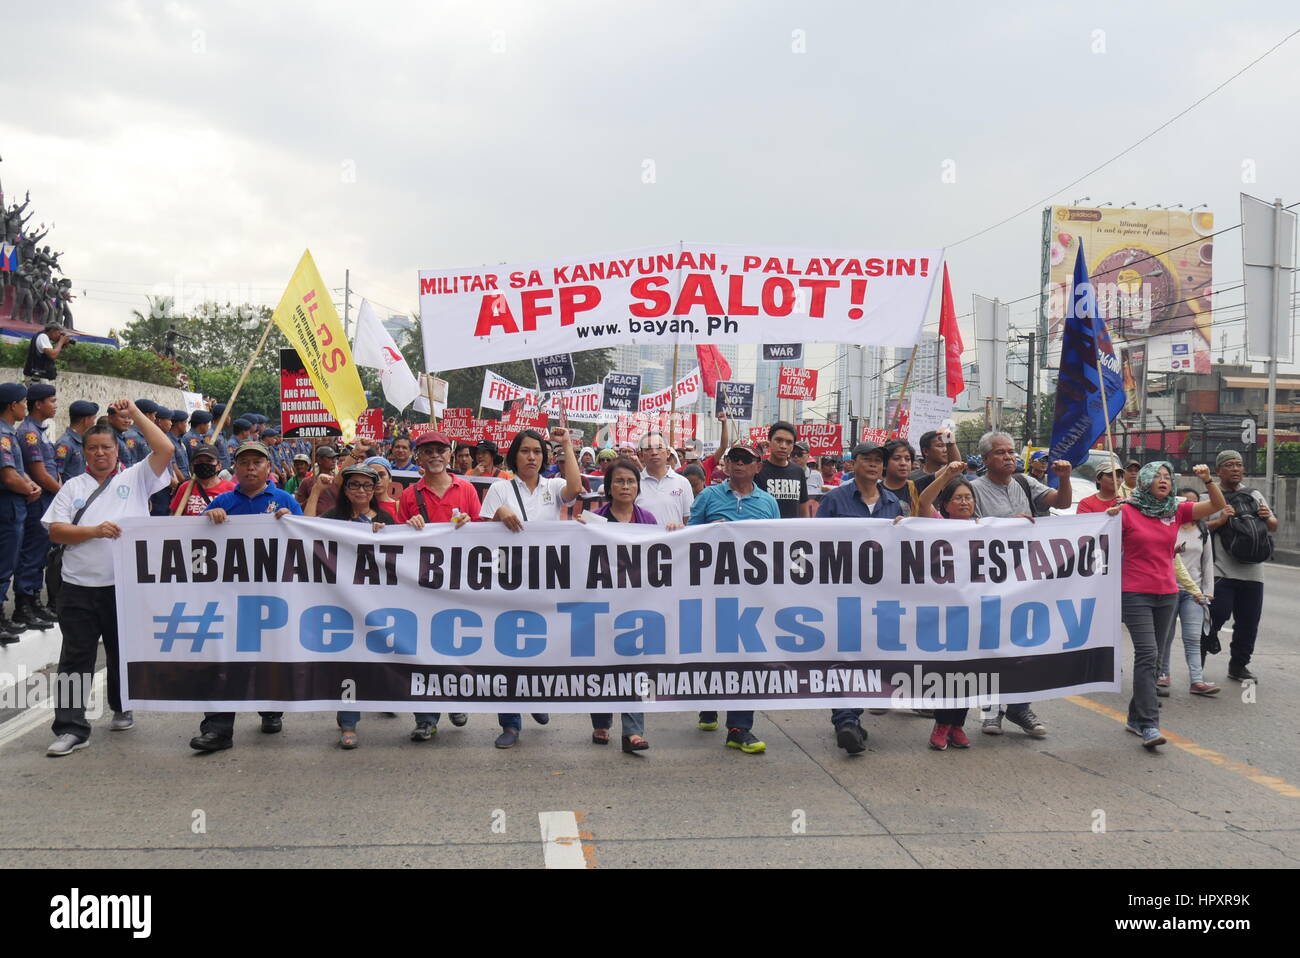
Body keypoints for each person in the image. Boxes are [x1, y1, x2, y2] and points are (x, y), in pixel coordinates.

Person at [42, 400, 176, 755]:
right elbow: (56, 531)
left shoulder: (135, 478)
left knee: (122, 651)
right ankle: (71, 728)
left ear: (118, 450)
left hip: (123, 585)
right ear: (84, 452)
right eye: (93, 448)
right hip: (76, 587)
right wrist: (93, 531)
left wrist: (134, 411)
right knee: (74, 657)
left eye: (106, 447)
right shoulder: (73, 487)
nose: (100, 453)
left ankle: (122, 704)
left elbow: (166, 448)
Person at [189, 441, 303, 752]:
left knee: (268, 657)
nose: (250, 468)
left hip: (272, 597)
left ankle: (270, 709)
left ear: (269, 469)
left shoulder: (285, 501)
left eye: (257, 462)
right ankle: (217, 729)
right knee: (223, 660)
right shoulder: (223, 501)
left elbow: (306, 543)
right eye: (244, 463)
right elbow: (196, 545)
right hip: (229, 598)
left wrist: (291, 522)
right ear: (235, 469)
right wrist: (209, 520)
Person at [1106, 462, 1225, 750]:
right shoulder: (1128, 511)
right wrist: (1109, 516)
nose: (1164, 480)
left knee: (1156, 659)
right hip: (1135, 593)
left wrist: (1208, 480)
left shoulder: (1176, 510)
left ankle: (1135, 717)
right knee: (1148, 655)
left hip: (1168, 593)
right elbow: (1098, 537)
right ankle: (1149, 724)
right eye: (1157, 477)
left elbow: (1218, 505)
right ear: (1145, 481)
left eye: (1167, 477)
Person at [478, 427, 583, 748]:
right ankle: (510, 724)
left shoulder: (554, 485)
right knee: (507, 651)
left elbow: (576, 489)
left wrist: (566, 444)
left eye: (537, 452)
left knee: (540, 647)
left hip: (545, 582)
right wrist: (499, 511)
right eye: (525, 451)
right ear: (514, 455)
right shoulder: (499, 488)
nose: (532, 457)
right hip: (508, 581)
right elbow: (480, 533)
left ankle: (536, 699)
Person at [970, 431, 1074, 737]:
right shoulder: (973, 489)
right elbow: (965, 530)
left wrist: (1064, 478)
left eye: (1011, 451)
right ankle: (990, 711)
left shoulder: (1026, 483)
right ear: (986, 459)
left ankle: (1019, 707)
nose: (1008, 456)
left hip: (1027, 581)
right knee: (992, 648)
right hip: (988, 582)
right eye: (1000, 452)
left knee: (1026, 645)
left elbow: (1062, 503)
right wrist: (1007, 524)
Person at [325, 464, 435, 748]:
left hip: (383, 603)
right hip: (345, 602)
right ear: (345, 489)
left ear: (375, 490)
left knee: (403, 658)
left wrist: (408, 528)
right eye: (354, 485)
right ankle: (348, 725)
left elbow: (403, 552)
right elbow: (305, 533)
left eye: (367, 485)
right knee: (350, 665)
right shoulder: (331, 519)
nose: (361, 490)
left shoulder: (386, 517)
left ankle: (424, 720)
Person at [687, 439, 779, 754]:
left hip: (753, 595)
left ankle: (740, 728)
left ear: (758, 466)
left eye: (746, 459)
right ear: (725, 464)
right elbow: (689, 540)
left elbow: (777, 548)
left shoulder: (768, 503)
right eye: (733, 458)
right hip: (712, 592)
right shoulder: (708, 497)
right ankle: (709, 701)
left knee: (748, 658)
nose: (738, 463)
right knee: (713, 654)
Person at [815, 441, 906, 753]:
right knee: (844, 656)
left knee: (871, 657)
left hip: (880, 595)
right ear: (853, 464)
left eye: (878, 461)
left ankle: (852, 717)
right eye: (866, 459)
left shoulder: (893, 503)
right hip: (842, 592)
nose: (873, 465)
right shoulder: (835, 500)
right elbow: (817, 543)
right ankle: (845, 720)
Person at [585, 457, 657, 752]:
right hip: (600, 605)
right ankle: (601, 723)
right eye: (619, 481)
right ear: (608, 486)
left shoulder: (649, 521)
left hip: (636, 606)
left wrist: (673, 531)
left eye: (630, 481)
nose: (625, 486)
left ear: (638, 487)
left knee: (634, 667)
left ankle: (633, 732)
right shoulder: (593, 520)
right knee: (601, 666)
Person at [917, 465, 980, 750]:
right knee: (947, 669)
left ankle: (958, 725)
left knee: (972, 670)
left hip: (976, 610)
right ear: (947, 505)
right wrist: (944, 476)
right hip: (943, 610)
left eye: (969, 497)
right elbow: (923, 502)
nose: (965, 502)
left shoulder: (986, 528)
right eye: (959, 498)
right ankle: (942, 723)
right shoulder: (936, 523)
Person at [1205, 449, 1279, 683]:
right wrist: (1221, 519)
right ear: (1218, 471)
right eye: (1229, 465)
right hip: (1221, 569)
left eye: (1238, 464)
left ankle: (1238, 665)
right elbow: (1199, 527)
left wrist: (1267, 516)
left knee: (1248, 622)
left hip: (1253, 572)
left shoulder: (1254, 494)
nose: (1236, 469)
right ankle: (1198, 662)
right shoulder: (1207, 495)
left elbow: (1273, 526)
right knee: (1217, 615)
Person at [1157, 487, 1220, 697]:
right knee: (1165, 636)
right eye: (1187, 503)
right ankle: (1162, 674)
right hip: (1168, 589)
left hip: (1194, 592)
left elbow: (1208, 562)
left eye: (1195, 504)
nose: (1192, 508)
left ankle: (1197, 680)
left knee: (1193, 637)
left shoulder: (1202, 531)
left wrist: (1207, 591)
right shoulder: (1167, 526)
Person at [0, 382, 44, 640]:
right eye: (23, 402)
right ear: (11, 405)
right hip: (8, 507)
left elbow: (17, 471)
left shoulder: (9, 433)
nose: (25, 407)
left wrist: (29, 484)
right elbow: (8, 476)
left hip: (13, 506)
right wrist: (30, 489)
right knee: (4, 564)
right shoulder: (3, 435)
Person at [15, 383, 61, 629]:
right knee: (32, 552)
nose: (55, 405)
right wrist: (63, 493)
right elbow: (40, 474)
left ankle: (33, 601)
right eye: (52, 401)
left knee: (41, 552)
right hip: (38, 501)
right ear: (38, 404)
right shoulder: (29, 432)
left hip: (47, 499)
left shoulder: (40, 430)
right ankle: (23, 605)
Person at [636, 431, 694, 527]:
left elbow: (689, 520)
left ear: (667, 453)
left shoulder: (682, 482)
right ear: (641, 455)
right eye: (648, 449)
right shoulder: (634, 484)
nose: (654, 452)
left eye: (659, 447)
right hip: (642, 540)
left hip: (674, 540)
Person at [757, 421, 811, 518]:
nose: (783, 446)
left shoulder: (798, 472)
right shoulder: (757, 470)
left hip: (792, 531)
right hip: (765, 530)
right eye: (778, 440)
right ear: (769, 441)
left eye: (789, 442)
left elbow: (804, 508)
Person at [168, 444, 234, 515]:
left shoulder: (231, 488)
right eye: (199, 461)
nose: (204, 464)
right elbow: (174, 516)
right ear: (193, 466)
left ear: (219, 465)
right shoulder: (185, 488)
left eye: (209, 461)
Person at [54, 400, 98, 481]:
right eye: (93, 419)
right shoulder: (65, 444)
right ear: (86, 420)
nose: (94, 423)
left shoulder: (81, 441)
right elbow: (57, 474)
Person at [910, 428, 962, 493]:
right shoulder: (911, 479)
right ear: (926, 451)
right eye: (940, 446)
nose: (945, 450)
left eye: (947, 446)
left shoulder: (957, 476)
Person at [295, 445, 339, 517]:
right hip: (315, 522)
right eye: (329, 458)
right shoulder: (307, 482)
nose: (334, 461)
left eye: (335, 458)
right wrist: (314, 495)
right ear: (319, 460)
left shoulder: (338, 480)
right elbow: (298, 506)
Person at [880, 438, 921, 516]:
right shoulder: (874, 491)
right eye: (896, 458)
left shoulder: (917, 489)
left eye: (907, 459)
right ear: (884, 464)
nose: (903, 463)